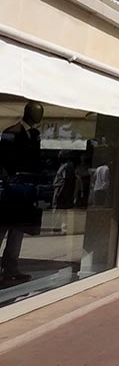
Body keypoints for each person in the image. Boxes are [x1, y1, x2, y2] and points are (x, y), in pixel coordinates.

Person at [0, 101, 44, 286]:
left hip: (25, 190)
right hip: (11, 189)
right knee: (2, 228)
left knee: (17, 230)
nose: (39, 116)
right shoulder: (12, 132)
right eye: (37, 112)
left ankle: (11, 267)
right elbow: (4, 160)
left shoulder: (34, 135)